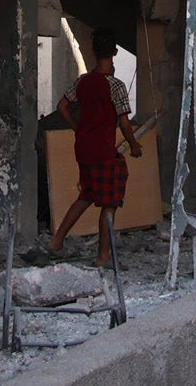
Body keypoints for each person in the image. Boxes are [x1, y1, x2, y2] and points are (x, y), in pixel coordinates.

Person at [49, 32, 143, 264]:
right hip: (103, 151)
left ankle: (57, 241)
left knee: (87, 195)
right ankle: (103, 256)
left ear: (93, 52)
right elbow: (124, 122)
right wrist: (134, 144)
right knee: (109, 203)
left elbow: (62, 106)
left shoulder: (83, 82)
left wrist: (77, 127)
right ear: (115, 52)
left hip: (83, 148)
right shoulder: (116, 86)